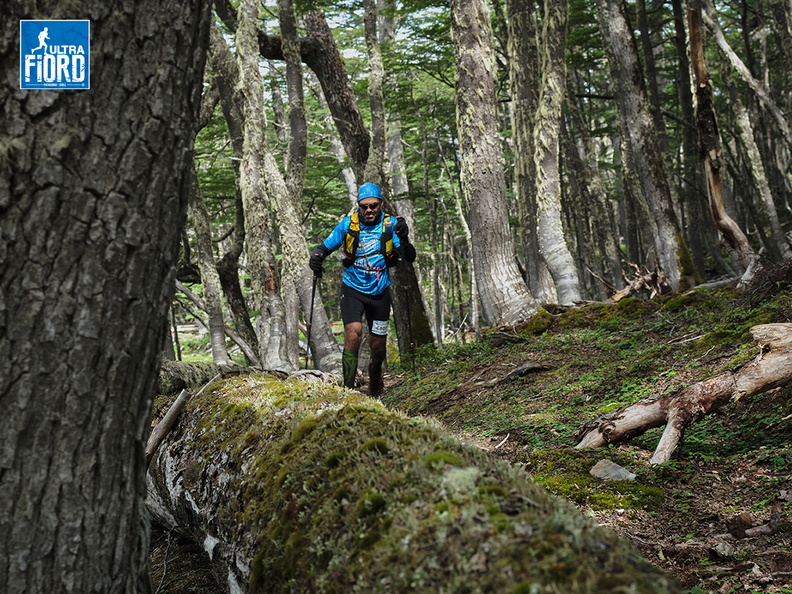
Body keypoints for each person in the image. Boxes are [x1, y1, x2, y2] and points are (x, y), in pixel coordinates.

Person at [309, 182, 416, 396]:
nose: (368, 210)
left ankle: (375, 375)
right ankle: (348, 391)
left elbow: (409, 257)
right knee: (353, 334)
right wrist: (317, 258)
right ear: (358, 205)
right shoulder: (348, 225)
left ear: (380, 204)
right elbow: (324, 247)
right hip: (352, 290)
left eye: (373, 206)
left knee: (378, 347)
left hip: (380, 292)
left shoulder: (390, 225)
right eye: (364, 206)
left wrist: (403, 237)